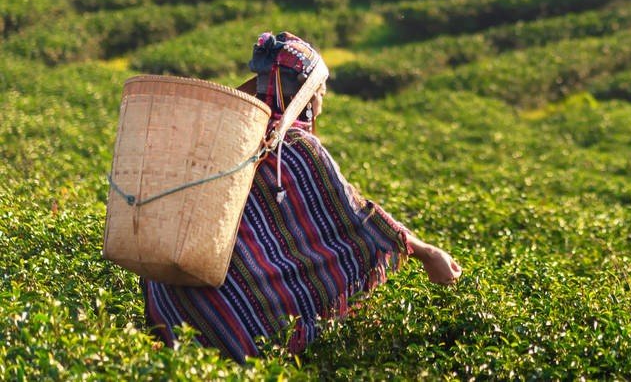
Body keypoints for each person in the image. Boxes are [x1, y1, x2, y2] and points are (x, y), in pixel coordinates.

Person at [142, 31, 461, 362]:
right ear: (307, 97)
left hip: (173, 299)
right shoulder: (296, 148)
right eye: (320, 93)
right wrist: (425, 252)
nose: (321, 101)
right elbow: (357, 220)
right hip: (229, 305)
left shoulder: (221, 138)